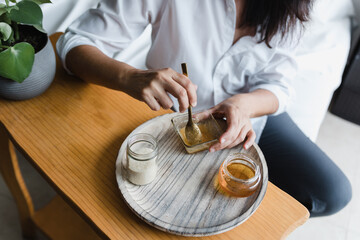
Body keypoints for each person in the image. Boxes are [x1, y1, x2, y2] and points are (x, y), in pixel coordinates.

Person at [57, 0, 351, 216]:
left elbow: (279, 86)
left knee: (332, 192)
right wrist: (128, 77)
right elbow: (75, 43)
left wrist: (243, 105)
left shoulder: (292, 6)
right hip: (173, 124)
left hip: (253, 118)